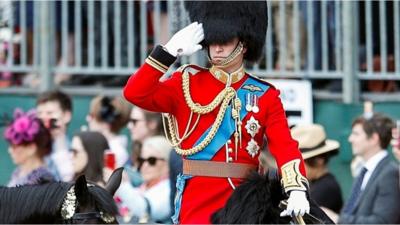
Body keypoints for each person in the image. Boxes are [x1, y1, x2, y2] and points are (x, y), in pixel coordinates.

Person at [123, 1, 310, 223]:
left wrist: (296, 188)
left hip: (244, 203)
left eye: (226, 41)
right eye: (212, 41)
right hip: (197, 201)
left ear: (244, 43)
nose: (217, 48)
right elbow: (135, 93)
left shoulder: (264, 94)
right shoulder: (185, 83)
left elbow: (285, 145)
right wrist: (168, 52)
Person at [338, 113, 400, 224]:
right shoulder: (364, 171)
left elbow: (383, 222)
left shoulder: (389, 173)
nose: (350, 139)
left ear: (374, 138)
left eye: (356, 134)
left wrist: (340, 220)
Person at [291, 124, 343, 222]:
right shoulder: (315, 184)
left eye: (301, 163)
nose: (296, 168)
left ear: (319, 160)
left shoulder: (326, 188)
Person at [115, 136, 172, 223]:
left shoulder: (170, 189)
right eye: (141, 160)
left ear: (167, 163)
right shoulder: (142, 186)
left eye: (152, 161)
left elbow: (144, 211)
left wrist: (122, 184)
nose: (144, 165)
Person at [4, 108, 55, 186]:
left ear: (31, 148)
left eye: (14, 147)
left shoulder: (42, 180)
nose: (10, 150)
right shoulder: (18, 172)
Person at [36, 90, 74, 182]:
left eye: (49, 113)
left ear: (66, 116)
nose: (43, 118)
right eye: (40, 113)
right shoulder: (34, 148)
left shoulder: (74, 151)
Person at [86, 95, 130, 167]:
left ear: (106, 123)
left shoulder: (117, 152)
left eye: (92, 116)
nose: (88, 119)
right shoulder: (111, 148)